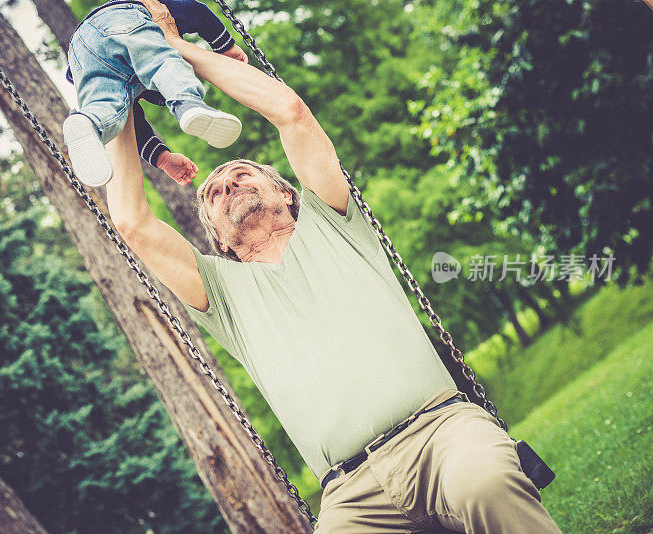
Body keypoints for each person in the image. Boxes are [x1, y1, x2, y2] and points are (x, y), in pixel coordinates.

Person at [104, 0, 564, 531]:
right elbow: (133, 224)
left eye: (243, 175)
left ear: (287, 195)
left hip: (442, 433)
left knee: (485, 484)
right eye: (214, 193)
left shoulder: (334, 222)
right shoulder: (220, 294)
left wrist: (182, 51)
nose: (229, 184)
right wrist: (114, 99)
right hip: (349, 491)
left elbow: (290, 113)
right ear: (219, 242)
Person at [63, 0, 248, 187]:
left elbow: (135, 124)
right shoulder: (156, 8)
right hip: (120, 17)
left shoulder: (127, 87)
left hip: (79, 54)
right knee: (161, 62)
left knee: (108, 106)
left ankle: (90, 122)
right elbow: (195, 10)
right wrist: (225, 46)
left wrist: (162, 158)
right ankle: (187, 103)